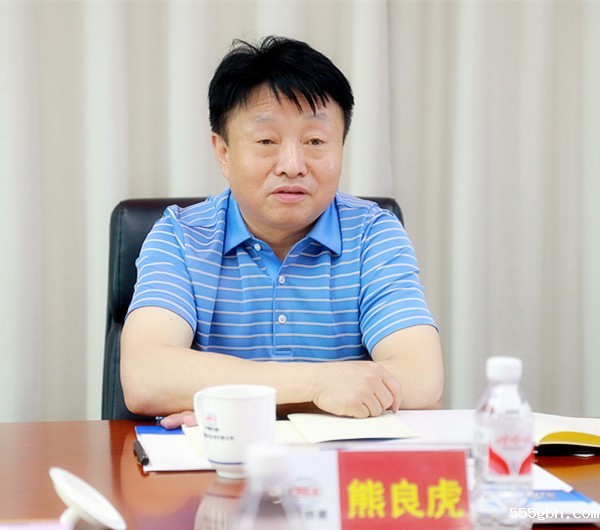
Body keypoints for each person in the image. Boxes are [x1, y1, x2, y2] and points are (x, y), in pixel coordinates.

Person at [121, 36, 443, 427]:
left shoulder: (373, 234)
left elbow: (421, 381)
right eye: (266, 141)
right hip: (212, 459)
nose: (292, 165)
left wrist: (235, 403)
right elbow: (145, 377)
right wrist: (321, 385)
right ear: (223, 153)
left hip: (337, 460)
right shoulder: (181, 236)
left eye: (315, 141)